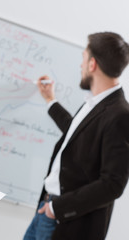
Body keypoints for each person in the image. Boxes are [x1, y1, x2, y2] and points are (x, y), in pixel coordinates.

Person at [23, 32, 129, 240]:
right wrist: (51, 101)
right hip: (46, 210)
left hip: (66, 222)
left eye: (83, 58)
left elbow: (113, 184)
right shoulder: (95, 103)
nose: (80, 65)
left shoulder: (121, 115)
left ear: (92, 64)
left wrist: (57, 208)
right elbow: (77, 134)